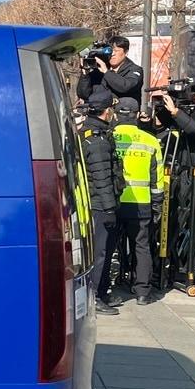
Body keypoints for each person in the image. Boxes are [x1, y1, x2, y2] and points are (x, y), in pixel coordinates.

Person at [110, 96, 163, 306]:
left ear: (116, 114)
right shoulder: (150, 141)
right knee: (141, 246)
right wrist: (157, 203)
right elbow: (157, 178)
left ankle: (105, 288)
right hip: (141, 202)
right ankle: (142, 292)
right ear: (136, 115)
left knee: (107, 246)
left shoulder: (108, 137)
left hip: (112, 201)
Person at [80, 90, 125, 315]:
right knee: (100, 252)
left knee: (103, 251)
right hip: (99, 204)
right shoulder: (97, 140)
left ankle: (102, 291)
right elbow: (102, 177)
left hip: (97, 202)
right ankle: (95, 297)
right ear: (107, 111)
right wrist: (109, 209)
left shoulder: (90, 132)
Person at [77, 35, 144, 105]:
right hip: (99, 110)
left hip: (123, 110)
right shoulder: (99, 69)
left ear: (126, 52)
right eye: (110, 50)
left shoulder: (135, 70)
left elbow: (125, 87)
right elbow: (84, 95)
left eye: (116, 51)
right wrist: (85, 75)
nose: (112, 54)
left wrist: (106, 72)